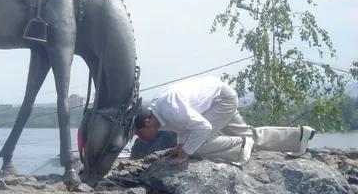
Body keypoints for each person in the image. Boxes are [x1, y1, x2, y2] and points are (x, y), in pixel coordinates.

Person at [134, 75, 316, 166]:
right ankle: (299, 137)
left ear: (148, 122)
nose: (141, 138)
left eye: (140, 134)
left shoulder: (170, 109)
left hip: (221, 99)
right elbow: (183, 127)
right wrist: (180, 146)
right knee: (246, 133)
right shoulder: (159, 112)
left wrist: (185, 151)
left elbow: (202, 128)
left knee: (198, 144)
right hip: (214, 97)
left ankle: (241, 144)